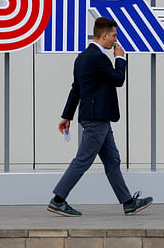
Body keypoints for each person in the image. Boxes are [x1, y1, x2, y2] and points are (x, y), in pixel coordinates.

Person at [47, 16, 153, 217]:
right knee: (83, 160)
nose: (115, 39)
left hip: (98, 118)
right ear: (104, 35)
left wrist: (66, 115)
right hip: (96, 119)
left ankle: (128, 202)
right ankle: (58, 200)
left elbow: (76, 90)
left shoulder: (82, 57)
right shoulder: (98, 58)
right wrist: (120, 58)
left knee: (112, 160)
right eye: (114, 35)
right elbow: (118, 79)